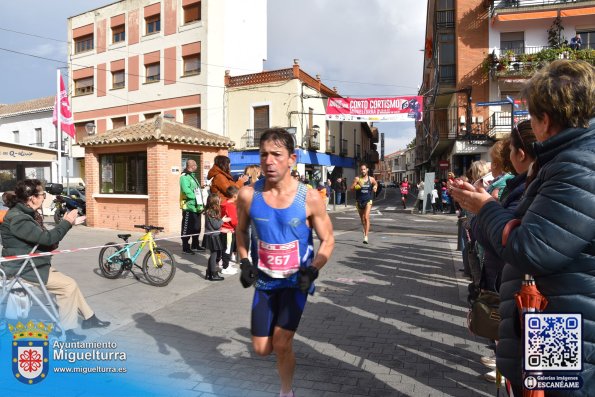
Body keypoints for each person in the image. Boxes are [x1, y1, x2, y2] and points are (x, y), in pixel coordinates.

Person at [450, 60, 595, 396]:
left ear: (545, 120)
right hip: (559, 312)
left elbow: (532, 248)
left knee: (547, 391)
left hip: (561, 319)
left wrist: (484, 208)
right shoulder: (569, 158)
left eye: (531, 115)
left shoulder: (577, 165)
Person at [235, 128, 335, 397]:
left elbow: (328, 240)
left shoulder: (310, 197)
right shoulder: (247, 195)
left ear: (291, 158)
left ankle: (286, 391)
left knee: (281, 343)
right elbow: (240, 231)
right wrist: (244, 261)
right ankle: (282, 355)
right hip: (265, 283)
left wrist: (313, 270)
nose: (269, 161)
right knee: (261, 349)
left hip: (295, 281)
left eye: (276, 155)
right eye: (264, 154)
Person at [0, 179, 110, 341]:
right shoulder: (19, 218)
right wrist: (66, 222)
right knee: (68, 286)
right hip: (23, 269)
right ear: (32, 198)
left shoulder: (23, 213)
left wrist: (69, 224)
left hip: (32, 264)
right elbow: (47, 238)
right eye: (42, 194)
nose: (45, 197)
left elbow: (44, 239)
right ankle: (66, 332)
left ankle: (89, 318)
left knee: (70, 284)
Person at [201, 194, 231, 281]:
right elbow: (215, 225)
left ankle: (209, 272)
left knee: (214, 254)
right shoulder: (211, 212)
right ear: (215, 202)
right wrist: (223, 220)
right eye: (218, 200)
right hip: (212, 236)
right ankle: (213, 274)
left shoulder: (210, 211)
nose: (220, 201)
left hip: (213, 235)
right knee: (214, 255)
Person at [180, 159, 205, 255]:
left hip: (197, 207)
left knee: (197, 227)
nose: (197, 166)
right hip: (189, 207)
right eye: (196, 165)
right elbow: (186, 191)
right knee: (187, 228)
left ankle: (195, 245)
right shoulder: (184, 177)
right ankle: (185, 247)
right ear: (192, 165)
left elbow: (195, 189)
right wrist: (196, 197)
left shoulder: (193, 176)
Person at [350, 163, 378, 244]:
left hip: (368, 200)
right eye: (361, 169)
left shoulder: (371, 179)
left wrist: (375, 187)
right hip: (359, 201)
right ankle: (364, 228)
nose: (363, 171)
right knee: (362, 219)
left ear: (367, 170)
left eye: (364, 169)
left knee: (366, 217)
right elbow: (351, 188)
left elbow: (376, 183)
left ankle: (366, 236)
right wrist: (357, 185)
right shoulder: (357, 179)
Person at [220, 186, 239, 275]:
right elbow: (234, 221)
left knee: (226, 248)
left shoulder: (224, 204)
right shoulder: (231, 206)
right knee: (228, 249)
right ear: (235, 195)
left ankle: (226, 264)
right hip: (228, 231)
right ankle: (225, 267)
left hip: (224, 230)